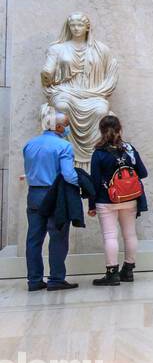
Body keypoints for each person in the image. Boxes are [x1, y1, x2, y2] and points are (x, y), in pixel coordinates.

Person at [21, 110, 81, 291]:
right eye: (67, 124)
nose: (69, 127)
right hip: (55, 196)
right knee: (58, 237)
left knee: (33, 239)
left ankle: (34, 280)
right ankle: (56, 279)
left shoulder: (29, 144)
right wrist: (83, 181)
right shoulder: (63, 146)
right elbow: (68, 175)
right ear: (59, 127)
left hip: (34, 194)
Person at [88, 115, 149, 287]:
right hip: (130, 199)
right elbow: (143, 173)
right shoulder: (129, 149)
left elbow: (94, 181)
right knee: (129, 234)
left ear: (100, 131)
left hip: (106, 200)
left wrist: (91, 205)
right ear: (120, 129)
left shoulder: (98, 153)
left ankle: (112, 274)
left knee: (110, 236)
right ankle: (128, 270)